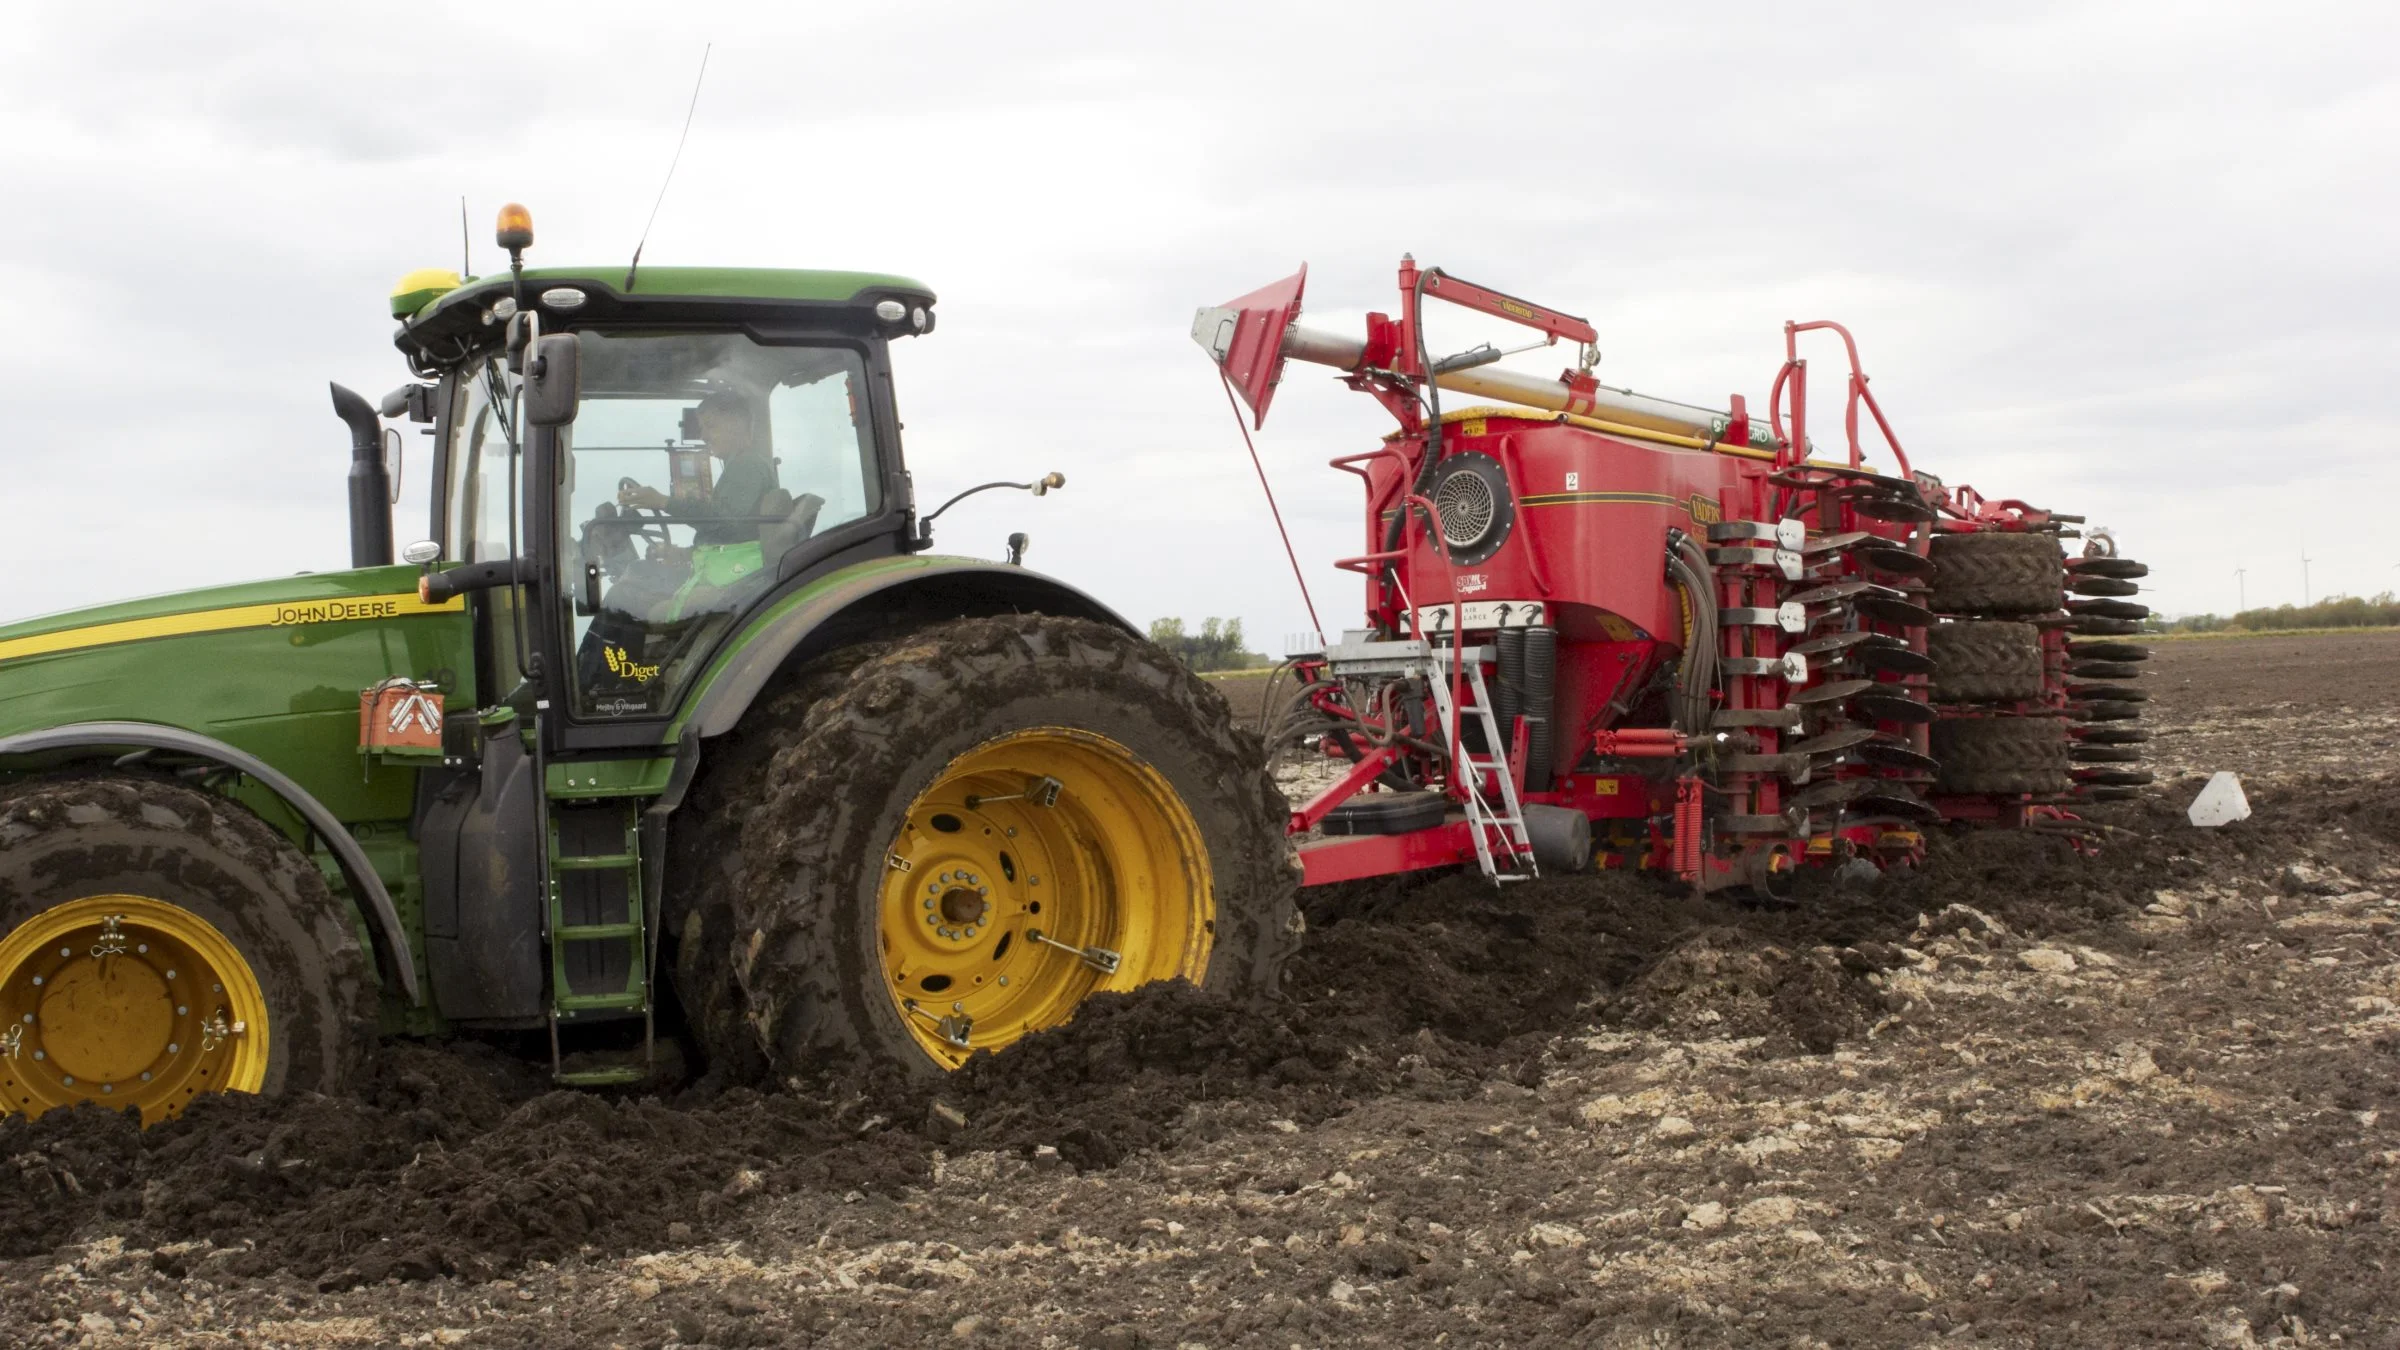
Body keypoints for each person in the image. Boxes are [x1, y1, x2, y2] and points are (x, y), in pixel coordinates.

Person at [614, 391, 783, 617]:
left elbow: (723, 520)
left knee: (622, 601)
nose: (704, 436)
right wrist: (684, 554)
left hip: (733, 580)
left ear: (736, 425)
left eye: (710, 426)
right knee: (639, 572)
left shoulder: (748, 466)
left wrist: (663, 502)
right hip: (725, 568)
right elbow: (733, 535)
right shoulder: (740, 466)